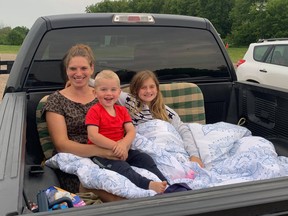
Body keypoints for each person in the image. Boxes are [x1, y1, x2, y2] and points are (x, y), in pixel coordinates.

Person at [43, 44, 122, 194]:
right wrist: (102, 151)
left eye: (84, 68)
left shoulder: (103, 95)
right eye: (73, 68)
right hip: (75, 164)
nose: (78, 73)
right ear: (66, 70)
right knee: (112, 190)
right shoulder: (56, 100)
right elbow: (62, 145)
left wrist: (120, 147)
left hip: (110, 155)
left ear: (92, 68)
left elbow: (122, 124)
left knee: (137, 181)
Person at [85, 70, 168, 193]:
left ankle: (165, 182)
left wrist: (123, 145)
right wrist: (116, 147)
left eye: (113, 90)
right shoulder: (94, 111)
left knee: (145, 158)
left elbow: (131, 131)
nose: (109, 93)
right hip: (101, 155)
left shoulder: (122, 110)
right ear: (94, 92)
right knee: (123, 168)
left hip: (123, 150)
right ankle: (148, 184)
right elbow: (93, 136)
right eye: (103, 90)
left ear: (119, 92)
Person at [118, 70, 204, 168]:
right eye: (143, 87)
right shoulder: (129, 102)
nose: (148, 91)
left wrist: (194, 155)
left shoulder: (166, 111)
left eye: (152, 87)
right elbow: (104, 84)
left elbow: (183, 130)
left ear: (157, 89)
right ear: (135, 90)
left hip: (170, 149)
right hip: (144, 151)